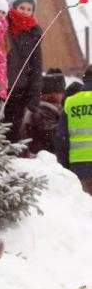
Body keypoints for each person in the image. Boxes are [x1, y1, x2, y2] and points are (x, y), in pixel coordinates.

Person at [5, 0, 43, 144]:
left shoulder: (34, 33)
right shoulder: (4, 25)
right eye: (22, 7)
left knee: (14, 128)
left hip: (21, 88)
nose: (25, 12)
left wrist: (34, 97)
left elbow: (37, 67)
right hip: (0, 86)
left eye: (29, 9)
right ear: (14, 7)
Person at [55, 65, 92, 196]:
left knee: (84, 210)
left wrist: (64, 165)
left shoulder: (71, 102)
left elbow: (61, 138)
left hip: (79, 167)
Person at [22, 68, 64, 156]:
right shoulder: (43, 112)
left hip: (41, 160)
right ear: (53, 94)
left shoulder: (42, 110)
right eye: (61, 92)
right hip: (41, 161)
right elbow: (54, 137)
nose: (63, 95)